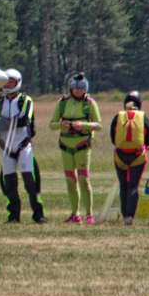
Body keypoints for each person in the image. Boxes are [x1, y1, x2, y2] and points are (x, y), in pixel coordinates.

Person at [0, 68, 45, 223]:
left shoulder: (25, 101)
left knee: (30, 182)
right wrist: (10, 122)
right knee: (9, 184)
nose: (8, 84)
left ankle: (38, 214)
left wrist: (4, 122)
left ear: (17, 83)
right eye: (6, 81)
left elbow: (24, 121)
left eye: (11, 81)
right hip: (5, 147)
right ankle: (13, 215)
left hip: (23, 145)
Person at [49, 72, 102, 224]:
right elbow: (51, 124)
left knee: (84, 179)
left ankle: (89, 215)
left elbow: (98, 125)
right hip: (65, 145)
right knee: (70, 180)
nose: (79, 92)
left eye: (82, 89)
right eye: (76, 89)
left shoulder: (90, 103)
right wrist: (61, 124)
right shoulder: (62, 103)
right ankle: (75, 214)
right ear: (71, 89)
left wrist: (83, 125)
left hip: (82, 145)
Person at [109, 91, 149, 225]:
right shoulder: (143, 117)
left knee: (123, 185)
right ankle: (129, 216)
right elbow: (148, 139)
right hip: (137, 156)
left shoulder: (118, 117)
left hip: (120, 156)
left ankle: (124, 215)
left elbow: (113, 138)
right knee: (133, 186)